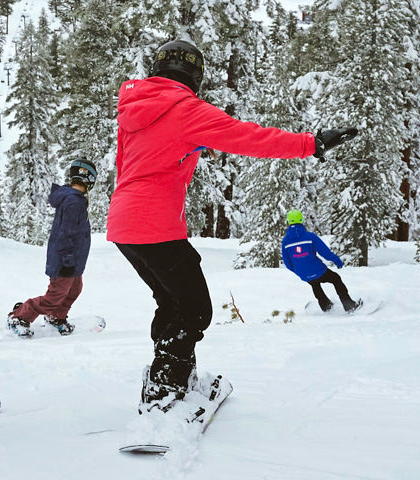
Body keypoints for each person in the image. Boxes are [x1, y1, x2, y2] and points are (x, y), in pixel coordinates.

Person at [106, 39, 358, 413]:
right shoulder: (185, 109)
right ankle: (163, 394)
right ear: (196, 75)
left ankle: (175, 376)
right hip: (154, 224)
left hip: (123, 223)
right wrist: (312, 143)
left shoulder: (133, 107)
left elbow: (124, 167)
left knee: (173, 302)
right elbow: (249, 138)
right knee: (194, 310)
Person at [7, 160, 97, 338]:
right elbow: (65, 234)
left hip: (73, 260)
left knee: (74, 290)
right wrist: (68, 260)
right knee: (54, 296)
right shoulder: (73, 202)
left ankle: (56, 316)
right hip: (66, 261)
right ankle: (20, 315)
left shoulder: (76, 200)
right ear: (89, 179)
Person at [281, 209, 360, 313]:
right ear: (301, 220)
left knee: (314, 284)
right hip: (318, 270)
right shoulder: (310, 236)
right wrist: (337, 261)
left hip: (303, 273)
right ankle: (349, 305)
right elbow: (325, 253)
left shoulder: (285, 241)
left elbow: (287, 263)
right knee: (336, 279)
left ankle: (326, 306)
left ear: (288, 221)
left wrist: (299, 271)